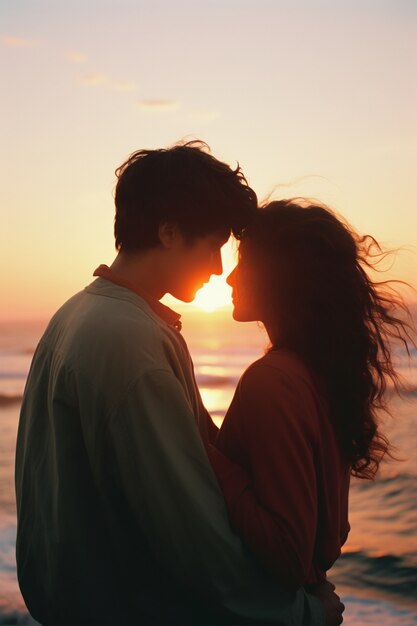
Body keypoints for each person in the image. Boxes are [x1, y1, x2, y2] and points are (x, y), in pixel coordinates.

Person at [15, 144, 342, 625]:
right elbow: (194, 537)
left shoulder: (76, 313)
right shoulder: (132, 342)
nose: (216, 267)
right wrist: (303, 615)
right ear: (168, 232)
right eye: (211, 245)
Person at [205, 199, 414, 600]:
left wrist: (205, 457)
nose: (229, 278)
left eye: (244, 262)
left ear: (278, 276)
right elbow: (330, 529)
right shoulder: (317, 371)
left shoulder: (273, 381)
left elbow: (288, 554)